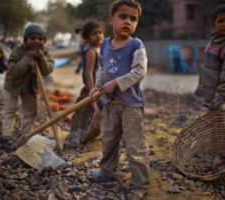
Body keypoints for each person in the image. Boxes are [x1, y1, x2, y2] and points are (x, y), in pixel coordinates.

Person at [88, 0, 149, 199]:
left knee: (135, 146)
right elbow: (101, 68)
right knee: (108, 140)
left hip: (130, 105)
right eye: (122, 16)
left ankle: (140, 183)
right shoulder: (105, 44)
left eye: (133, 19)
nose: (127, 22)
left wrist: (116, 83)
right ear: (111, 19)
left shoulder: (136, 45)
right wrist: (97, 86)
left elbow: (140, 71)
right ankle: (107, 172)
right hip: (110, 106)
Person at [1, 23, 54, 151]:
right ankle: (6, 138)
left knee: (30, 111)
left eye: (40, 39)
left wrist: (40, 55)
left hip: (29, 86)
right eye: (32, 38)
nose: (36, 41)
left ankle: (25, 136)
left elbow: (47, 71)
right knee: (10, 109)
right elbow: (13, 71)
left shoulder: (45, 52)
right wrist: (26, 58)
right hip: (13, 84)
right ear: (26, 39)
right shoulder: (18, 50)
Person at [194, 4, 225, 110]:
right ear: (213, 24)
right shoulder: (213, 42)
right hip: (210, 94)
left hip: (217, 96)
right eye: (221, 21)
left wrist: (220, 98)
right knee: (213, 121)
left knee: (218, 121)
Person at [70, 20, 106, 142]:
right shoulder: (91, 51)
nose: (98, 35)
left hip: (103, 86)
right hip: (95, 87)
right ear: (87, 37)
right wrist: (92, 93)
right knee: (102, 110)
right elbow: (88, 73)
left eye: (100, 32)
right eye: (94, 33)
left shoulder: (100, 48)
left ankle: (106, 132)